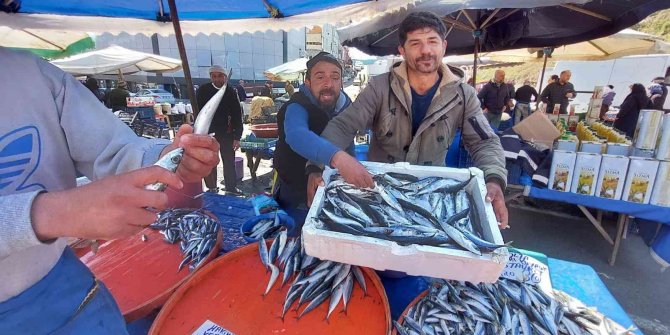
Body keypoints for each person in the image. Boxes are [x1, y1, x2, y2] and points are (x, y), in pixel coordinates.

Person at [0, 47, 220, 334]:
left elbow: (114, 148)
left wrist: (167, 157)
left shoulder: (32, 73)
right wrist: (47, 214)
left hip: (64, 284)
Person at [305, 11, 509, 228]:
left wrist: (494, 179)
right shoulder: (379, 87)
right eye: (415, 43)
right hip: (379, 193)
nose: (426, 51)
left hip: (431, 195)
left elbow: (484, 141)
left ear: (444, 46)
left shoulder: (464, 95)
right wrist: (315, 166)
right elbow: (344, 125)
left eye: (432, 41)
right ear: (402, 50)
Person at [274, 52, 352, 220]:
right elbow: (297, 135)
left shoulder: (347, 107)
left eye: (335, 77)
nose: (328, 84)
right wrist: (339, 158)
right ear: (307, 83)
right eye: (320, 77)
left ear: (341, 83)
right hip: (294, 191)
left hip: (335, 189)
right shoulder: (296, 106)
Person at [196, 65, 243, 194]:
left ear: (225, 77)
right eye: (214, 76)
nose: (217, 79)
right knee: (210, 162)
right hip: (208, 135)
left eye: (220, 76)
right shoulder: (203, 90)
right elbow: (199, 113)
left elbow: (237, 114)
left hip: (227, 134)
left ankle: (231, 188)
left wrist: (237, 137)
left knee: (229, 161)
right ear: (211, 77)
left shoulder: (231, 91)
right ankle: (212, 188)